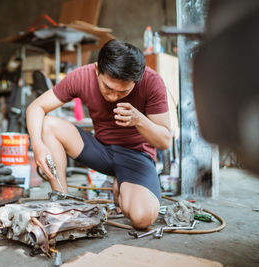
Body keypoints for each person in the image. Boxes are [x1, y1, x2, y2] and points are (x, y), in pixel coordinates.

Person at [26, 39, 171, 229]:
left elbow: (165, 141)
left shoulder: (152, 82)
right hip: (100, 151)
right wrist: (37, 145)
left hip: (136, 156)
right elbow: (36, 107)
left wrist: (139, 119)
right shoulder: (83, 76)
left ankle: (123, 182)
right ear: (97, 70)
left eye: (123, 92)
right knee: (47, 125)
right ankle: (62, 205)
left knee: (142, 219)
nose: (112, 96)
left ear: (137, 80)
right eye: (108, 88)